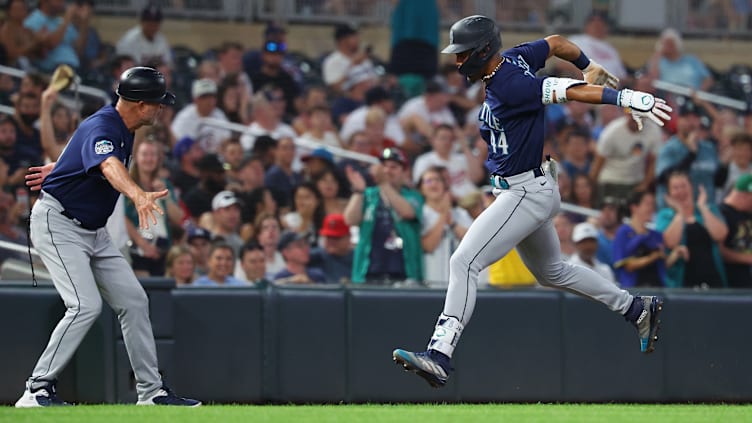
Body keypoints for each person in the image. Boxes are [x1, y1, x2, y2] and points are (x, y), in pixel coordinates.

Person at [392, 15, 672, 388]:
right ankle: (635, 308)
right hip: (529, 187)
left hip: (523, 191)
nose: (458, 62)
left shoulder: (511, 85)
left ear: (484, 50)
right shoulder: (513, 59)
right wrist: (589, 66)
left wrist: (622, 97)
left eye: (463, 54)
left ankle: (439, 353)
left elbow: (569, 91)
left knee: (463, 262)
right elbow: (556, 42)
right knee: (552, 272)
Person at [18, 66, 199, 406]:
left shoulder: (121, 127)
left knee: (134, 300)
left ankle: (151, 392)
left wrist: (60, 167)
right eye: (157, 102)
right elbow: (108, 165)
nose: (161, 108)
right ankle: (37, 387)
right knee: (85, 305)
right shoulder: (105, 125)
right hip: (60, 223)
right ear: (139, 104)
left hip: (93, 231)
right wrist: (137, 195)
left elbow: (91, 154)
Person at [344, 147, 424, 285]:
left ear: (404, 172)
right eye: (384, 166)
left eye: (393, 167)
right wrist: (358, 191)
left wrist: (383, 184)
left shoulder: (413, 196)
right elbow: (350, 219)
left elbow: (407, 212)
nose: (387, 171)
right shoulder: (369, 194)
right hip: (368, 271)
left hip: (404, 272)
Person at [656, 171, 728, 288]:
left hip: (713, 278)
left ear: (691, 187)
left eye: (684, 186)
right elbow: (670, 242)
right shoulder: (665, 215)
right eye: (675, 188)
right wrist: (680, 213)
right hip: (682, 281)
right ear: (669, 193)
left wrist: (702, 208)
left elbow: (720, 234)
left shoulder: (708, 208)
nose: (681, 191)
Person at [418, 166, 473, 287]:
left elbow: (473, 243)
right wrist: (443, 215)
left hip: (460, 285)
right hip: (431, 283)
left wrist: (452, 223)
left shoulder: (460, 214)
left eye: (438, 180)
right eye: (428, 181)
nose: (434, 184)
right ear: (421, 189)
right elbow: (428, 246)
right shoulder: (420, 214)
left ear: (445, 186)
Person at [718, 174, 752, 287]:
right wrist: (747, 259)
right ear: (744, 195)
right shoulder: (721, 214)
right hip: (731, 281)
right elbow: (718, 251)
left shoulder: (747, 213)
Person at [309, 213, 354, 284]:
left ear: (348, 237)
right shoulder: (314, 256)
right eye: (328, 237)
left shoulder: (359, 259)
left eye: (336, 237)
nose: (331, 242)